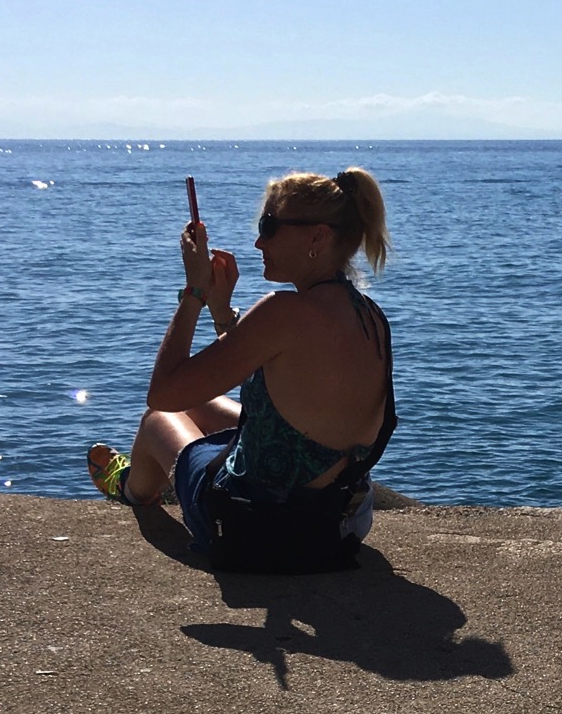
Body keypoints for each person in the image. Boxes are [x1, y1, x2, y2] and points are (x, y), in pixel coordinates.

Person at [87, 168, 395, 560]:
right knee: (201, 404)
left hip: (258, 530)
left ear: (317, 236)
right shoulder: (368, 314)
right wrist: (223, 314)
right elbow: (279, 380)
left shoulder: (283, 311)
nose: (258, 241)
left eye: (269, 226)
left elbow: (164, 393)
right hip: (337, 524)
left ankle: (132, 487)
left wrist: (195, 291)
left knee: (158, 418)